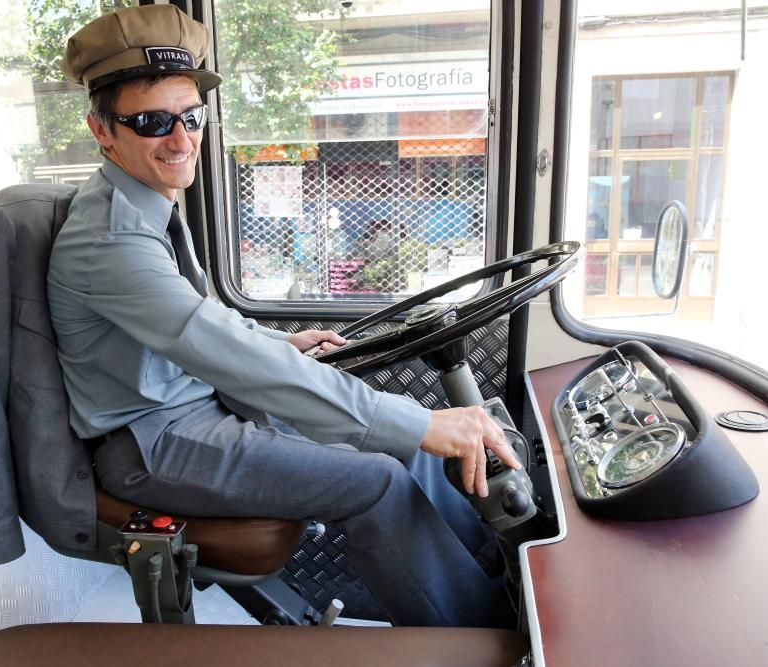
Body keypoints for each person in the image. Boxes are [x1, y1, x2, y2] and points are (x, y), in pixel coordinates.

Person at [49, 4, 520, 628]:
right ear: (101, 130)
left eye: (191, 116)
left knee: (403, 449)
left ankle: (504, 580)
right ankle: (483, 636)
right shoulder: (111, 239)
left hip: (196, 408)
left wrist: (281, 339)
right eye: (152, 121)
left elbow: (201, 317)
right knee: (378, 476)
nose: (183, 139)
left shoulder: (145, 202)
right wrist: (419, 422)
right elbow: (212, 343)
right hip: (153, 442)